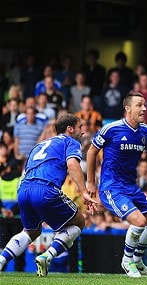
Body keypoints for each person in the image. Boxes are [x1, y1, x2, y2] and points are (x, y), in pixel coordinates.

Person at [86, 91, 147, 278]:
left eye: (145, 105)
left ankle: (137, 259)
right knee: (139, 222)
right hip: (111, 186)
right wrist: (90, 182)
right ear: (128, 108)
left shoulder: (145, 132)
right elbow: (91, 152)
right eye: (139, 105)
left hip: (131, 186)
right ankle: (127, 260)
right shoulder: (111, 129)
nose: (144, 108)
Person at [0, 114, 96, 276]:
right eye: (80, 127)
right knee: (79, 221)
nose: (83, 132)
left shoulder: (39, 145)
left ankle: (1, 260)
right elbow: (72, 164)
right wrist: (84, 191)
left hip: (24, 190)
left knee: (31, 231)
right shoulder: (70, 141)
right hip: (45, 189)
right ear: (70, 129)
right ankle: (47, 256)